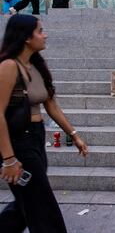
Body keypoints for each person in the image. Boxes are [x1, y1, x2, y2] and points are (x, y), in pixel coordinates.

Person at [0, 14, 88, 232]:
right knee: (43, 208)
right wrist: (9, 159)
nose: (45, 35)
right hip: (18, 142)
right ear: (26, 37)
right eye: (40, 31)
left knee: (27, 204)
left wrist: (74, 135)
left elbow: (51, 106)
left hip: (36, 139)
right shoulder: (9, 66)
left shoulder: (36, 65)